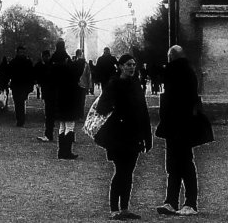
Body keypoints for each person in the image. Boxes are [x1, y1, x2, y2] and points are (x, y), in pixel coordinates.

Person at [93, 53, 152, 220]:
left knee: (129, 172)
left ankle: (124, 207)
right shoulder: (114, 84)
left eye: (133, 64)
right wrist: (117, 113)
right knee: (120, 171)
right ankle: (114, 208)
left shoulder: (135, 84)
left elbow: (143, 110)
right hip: (118, 135)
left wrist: (147, 136)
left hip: (134, 134)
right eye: (128, 64)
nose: (132, 67)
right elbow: (102, 107)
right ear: (120, 66)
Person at [154, 44, 201, 216]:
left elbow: (171, 99)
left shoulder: (173, 71)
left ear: (171, 57)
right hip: (184, 123)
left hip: (175, 123)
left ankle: (179, 201)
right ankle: (183, 201)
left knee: (177, 164)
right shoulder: (189, 72)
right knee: (183, 162)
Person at [53, 42, 88, 160]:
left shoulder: (55, 62)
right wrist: (80, 59)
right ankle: (66, 152)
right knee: (69, 125)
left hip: (59, 96)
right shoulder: (69, 65)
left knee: (62, 126)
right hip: (70, 98)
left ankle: (61, 151)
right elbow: (77, 69)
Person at [37, 41, 66, 142]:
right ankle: (68, 135)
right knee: (65, 114)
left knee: (49, 114)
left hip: (50, 91)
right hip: (63, 91)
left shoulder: (52, 60)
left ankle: (49, 134)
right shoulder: (67, 59)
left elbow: (46, 75)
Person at [6, 46, 36, 128]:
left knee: (20, 102)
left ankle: (20, 119)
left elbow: (31, 74)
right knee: (18, 102)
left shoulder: (25, 62)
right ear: (18, 52)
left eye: (23, 52)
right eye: (21, 52)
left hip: (22, 86)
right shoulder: (16, 62)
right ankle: (20, 119)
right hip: (17, 85)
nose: (22, 54)